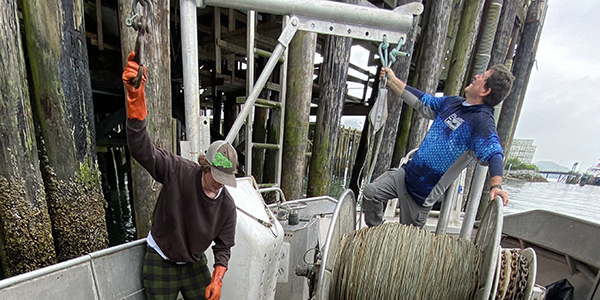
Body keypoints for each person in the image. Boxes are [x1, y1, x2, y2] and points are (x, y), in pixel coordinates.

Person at [123, 51, 237, 300]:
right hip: (161, 256)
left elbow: (224, 246)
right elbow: (142, 151)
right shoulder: (177, 171)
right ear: (205, 165)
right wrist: (135, 100)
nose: (219, 183)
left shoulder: (227, 206)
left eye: (225, 179)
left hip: (193, 263)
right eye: (216, 175)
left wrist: (217, 280)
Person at [362, 65, 514, 228]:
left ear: (485, 91)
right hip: (405, 175)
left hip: (421, 196)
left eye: (482, 77)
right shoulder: (452, 103)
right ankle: (377, 235)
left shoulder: (482, 122)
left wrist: (496, 186)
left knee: (405, 248)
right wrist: (392, 81)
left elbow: (494, 153)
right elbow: (423, 101)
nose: (476, 76)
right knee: (370, 193)